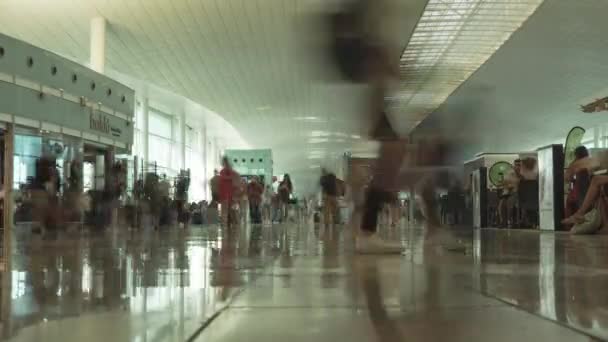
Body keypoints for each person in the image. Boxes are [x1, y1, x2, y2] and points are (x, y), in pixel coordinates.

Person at [219, 157, 239, 226]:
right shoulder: (223, 172)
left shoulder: (231, 172)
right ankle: (229, 223)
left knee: (231, 210)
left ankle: (233, 223)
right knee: (227, 210)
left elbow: (235, 180)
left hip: (230, 194)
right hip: (225, 193)